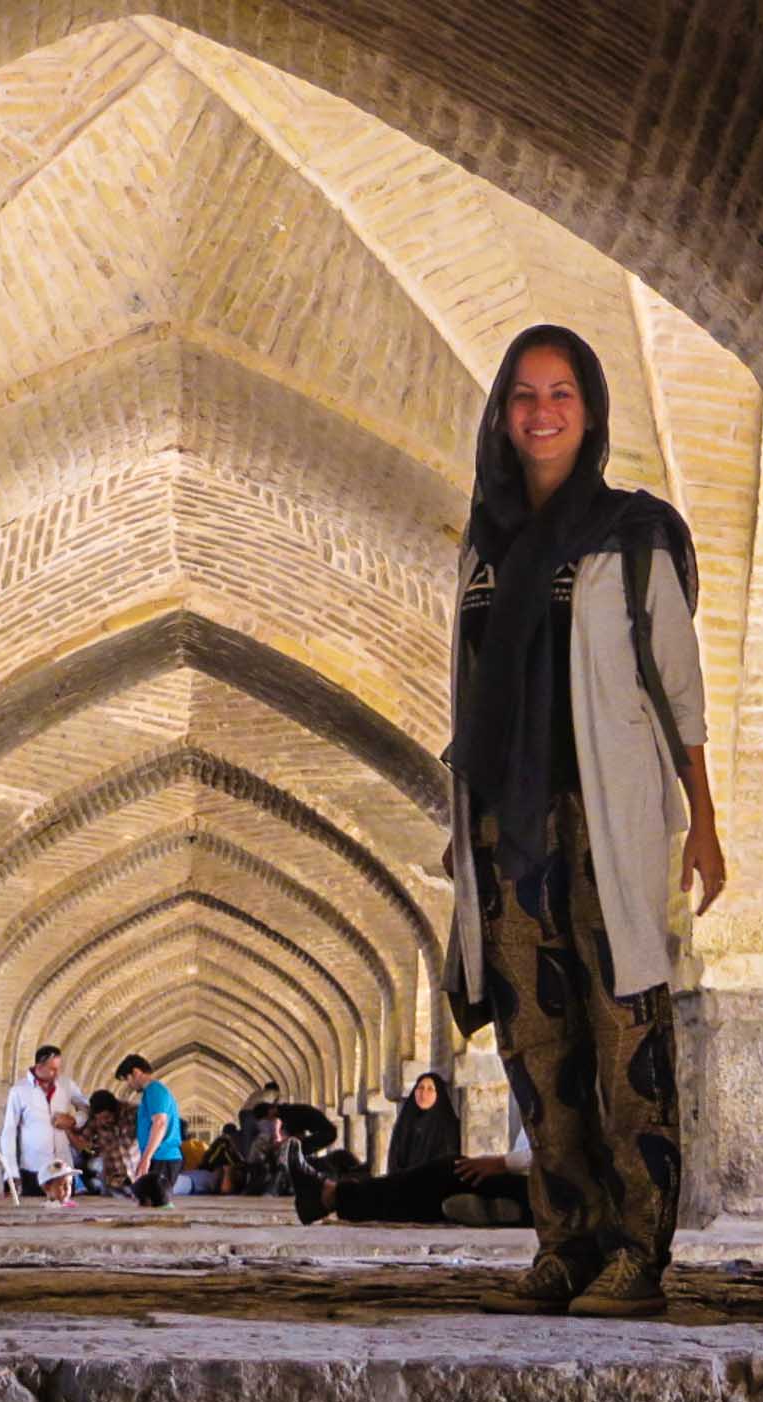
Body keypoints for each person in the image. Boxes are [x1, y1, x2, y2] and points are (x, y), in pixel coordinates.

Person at [442, 323, 722, 1318]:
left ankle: (638, 1252)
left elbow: (677, 684)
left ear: (591, 409)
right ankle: (567, 1242)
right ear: (503, 414)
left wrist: (703, 819)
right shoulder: (484, 545)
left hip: (610, 817)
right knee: (535, 1045)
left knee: (624, 1033)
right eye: (523, 395)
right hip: (508, 826)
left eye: (560, 393)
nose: (541, 412)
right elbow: (465, 693)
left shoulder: (633, 535)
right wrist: (461, 826)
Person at [289, 1144, 531, 1228]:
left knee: (449, 1172)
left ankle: (330, 1196)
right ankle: (332, 1195)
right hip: (539, 1186)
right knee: (439, 1191)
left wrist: (502, 1162)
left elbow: (558, 1156)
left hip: (548, 1189)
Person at [0, 1044, 87, 1198]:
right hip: (34, 1168)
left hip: (63, 1168)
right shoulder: (19, 1091)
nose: (56, 1073)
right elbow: (9, 1131)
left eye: (58, 1068)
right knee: (34, 1211)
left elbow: (85, 1108)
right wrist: (11, 1171)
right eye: (52, 1069)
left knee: (66, 1213)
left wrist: (74, 1121)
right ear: (39, 1066)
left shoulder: (66, 1085)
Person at [115, 1053, 184, 1207]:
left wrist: (146, 1158)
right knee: (150, 1203)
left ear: (136, 1073)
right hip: (159, 1156)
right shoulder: (151, 1092)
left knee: (157, 1204)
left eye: (127, 1079)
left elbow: (159, 1123)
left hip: (163, 1157)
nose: (129, 1085)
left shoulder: (155, 1091)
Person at [386, 1072, 461, 1174]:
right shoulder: (405, 1123)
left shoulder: (448, 1127)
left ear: (438, 1093)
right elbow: (394, 1162)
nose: (423, 1093)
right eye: (420, 1088)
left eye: (430, 1089)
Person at [71, 1088, 140, 1199]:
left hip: (137, 1174)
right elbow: (81, 1141)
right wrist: (68, 1129)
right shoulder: (94, 1120)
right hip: (112, 1180)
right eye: (100, 1119)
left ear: (115, 1110)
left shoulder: (132, 1112)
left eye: (107, 1117)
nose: (103, 1121)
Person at [242, 1105, 293, 1197]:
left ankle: (267, 1188)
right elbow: (274, 1140)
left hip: (258, 1162)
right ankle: (272, 1189)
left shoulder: (257, 1125)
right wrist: (278, 1130)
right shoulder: (267, 1125)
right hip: (263, 1160)